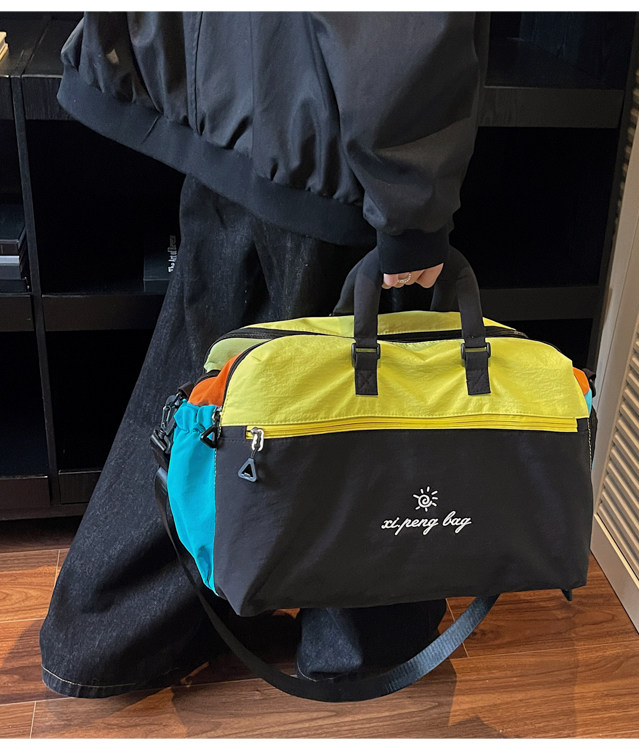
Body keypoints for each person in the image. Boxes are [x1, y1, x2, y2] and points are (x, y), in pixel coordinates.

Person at [40, 11, 490, 697]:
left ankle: (108, 626)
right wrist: (413, 204)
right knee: (358, 413)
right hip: (334, 140)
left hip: (234, 106)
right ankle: (353, 641)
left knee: (209, 397)